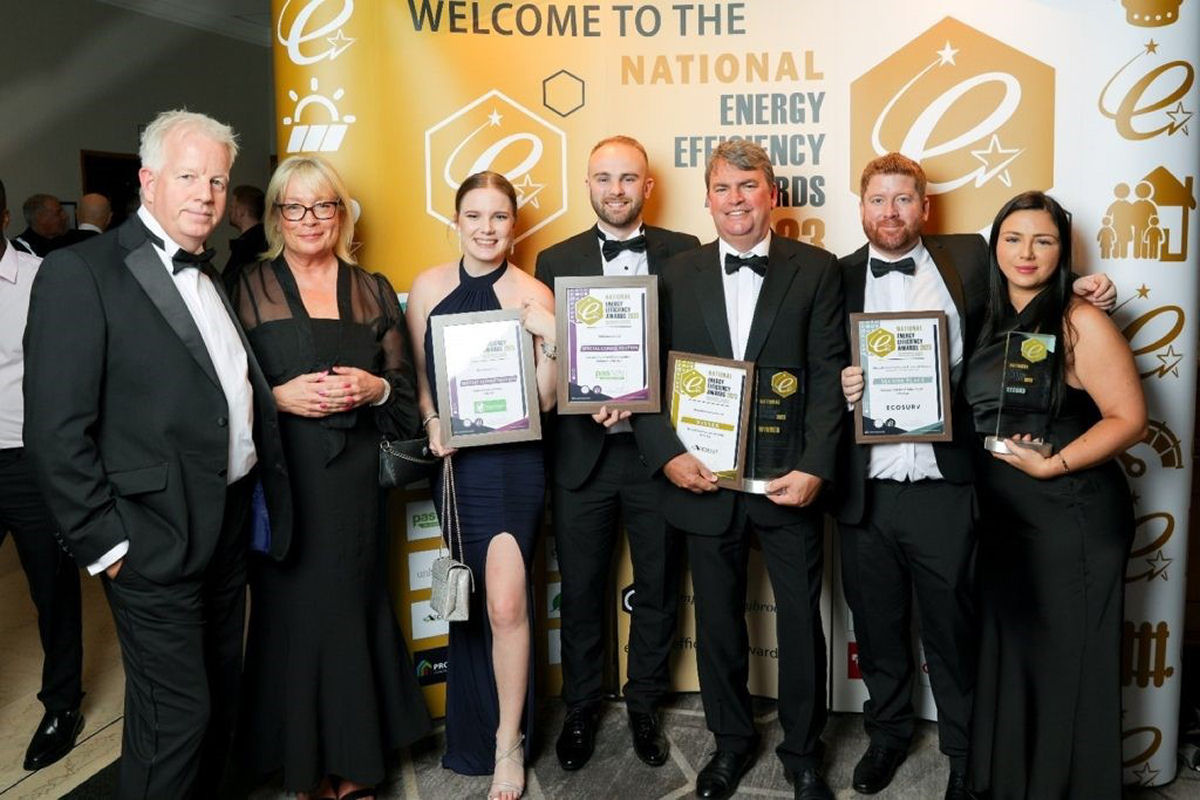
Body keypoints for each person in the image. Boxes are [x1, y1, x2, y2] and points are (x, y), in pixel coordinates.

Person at [22, 109, 293, 799]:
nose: (204, 192)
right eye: (187, 176)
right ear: (148, 181)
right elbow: (55, 431)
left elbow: (221, 388)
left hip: (227, 524)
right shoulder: (81, 273)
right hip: (149, 535)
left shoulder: (213, 272)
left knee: (211, 704)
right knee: (181, 716)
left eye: (217, 179)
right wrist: (107, 546)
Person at [835, 154, 1115, 800]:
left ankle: (965, 752)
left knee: (954, 630)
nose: (891, 212)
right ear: (861, 207)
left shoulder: (969, 262)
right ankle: (888, 736)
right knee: (877, 630)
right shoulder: (836, 276)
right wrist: (843, 382)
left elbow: (1034, 291)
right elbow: (817, 366)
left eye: (904, 199)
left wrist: (1089, 289)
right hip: (866, 490)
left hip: (950, 484)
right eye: (878, 200)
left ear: (925, 207)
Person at [634, 139, 844, 800]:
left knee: (800, 622)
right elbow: (643, 379)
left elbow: (830, 378)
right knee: (719, 621)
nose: (735, 201)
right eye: (722, 188)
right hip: (703, 481)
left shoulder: (817, 270)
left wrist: (815, 466)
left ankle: (803, 750)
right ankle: (730, 742)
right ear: (707, 197)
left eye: (748, 187)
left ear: (772, 194)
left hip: (788, 483)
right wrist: (667, 453)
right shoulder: (673, 273)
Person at [230, 155, 431, 800]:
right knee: (293, 619)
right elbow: (222, 388)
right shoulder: (248, 286)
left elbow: (404, 393)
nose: (309, 219)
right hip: (284, 484)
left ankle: (356, 763)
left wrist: (374, 387)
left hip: (354, 487)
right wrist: (278, 399)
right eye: (294, 206)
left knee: (351, 613)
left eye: (323, 206)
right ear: (276, 216)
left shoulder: (372, 287)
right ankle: (304, 764)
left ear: (340, 215)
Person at [964, 191, 1145, 799]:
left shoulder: (1078, 319)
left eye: (1043, 240)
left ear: (1063, 251)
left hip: (1071, 518)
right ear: (994, 247)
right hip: (1006, 521)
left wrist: (1056, 465)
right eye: (1013, 238)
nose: (1027, 253)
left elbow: (1128, 418)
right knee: (1019, 661)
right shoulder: (986, 317)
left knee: (1070, 667)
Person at [534, 135, 699, 771]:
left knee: (658, 587)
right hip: (581, 454)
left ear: (648, 186)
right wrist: (586, 394)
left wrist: (643, 403)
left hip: (658, 453)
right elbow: (550, 356)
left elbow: (689, 347)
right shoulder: (554, 258)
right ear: (588, 185)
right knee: (580, 590)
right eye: (604, 178)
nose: (616, 190)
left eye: (628, 178)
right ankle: (581, 706)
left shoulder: (684, 253)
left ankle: (644, 704)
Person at [405, 170, 557, 800]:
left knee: (506, 604)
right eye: (474, 216)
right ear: (456, 221)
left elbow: (546, 404)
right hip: (456, 467)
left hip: (515, 465)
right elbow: (421, 377)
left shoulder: (532, 291)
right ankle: (471, 730)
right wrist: (434, 420)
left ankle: (507, 743)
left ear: (514, 226)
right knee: (471, 606)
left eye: (499, 217)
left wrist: (548, 339)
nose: (486, 228)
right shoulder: (427, 288)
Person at [0, 177, 85, 772]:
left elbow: (71, 375)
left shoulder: (39, 281)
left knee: (52, 591)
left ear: (3, 215)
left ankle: (61, 703)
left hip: (26, 463)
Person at [223, 184, 267, 292]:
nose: (229, 211)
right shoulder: (260, 240)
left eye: (232, 206)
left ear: (241, 211)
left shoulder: (248, 248)